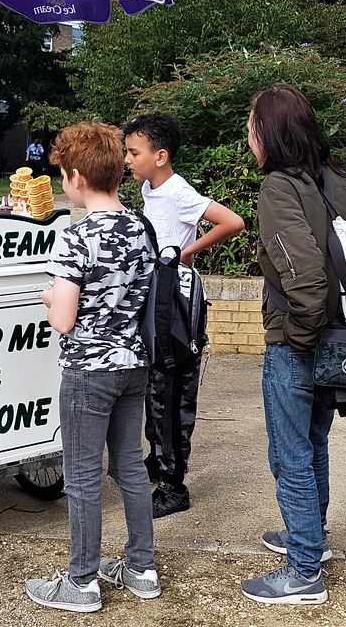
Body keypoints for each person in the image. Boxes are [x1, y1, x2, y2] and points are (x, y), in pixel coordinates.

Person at [25, 121, 160, 613]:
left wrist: (47, 296)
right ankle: (141, 568)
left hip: (88, 368)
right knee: (129, 466)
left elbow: (63, 319)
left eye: (62, 174)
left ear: (77, 177)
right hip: (134, 364)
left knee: (82, 475)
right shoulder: (140, 228)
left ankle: (80, 582)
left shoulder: (74, 236)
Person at [240, 83, 346, 606]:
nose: (248, 134)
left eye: (251, 125)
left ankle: (304, 572)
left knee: (289, 455)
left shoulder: (279, 189)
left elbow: (308, 280)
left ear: (268, 133)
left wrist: (296, 342)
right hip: (342, 338)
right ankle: (310, 539)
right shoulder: (337, 181)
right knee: (313, 445)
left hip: (302, 341)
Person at [123, 112, 245, 518]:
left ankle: (175, 485)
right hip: (156, 305)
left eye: (133, 152)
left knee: (173, 394)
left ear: (160, 156)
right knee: (155, 389)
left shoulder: (178, 192)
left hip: (178, 308)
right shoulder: (147, 188)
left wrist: (189, 252)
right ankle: (158, 461)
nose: (127, 159)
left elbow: (233, 221)